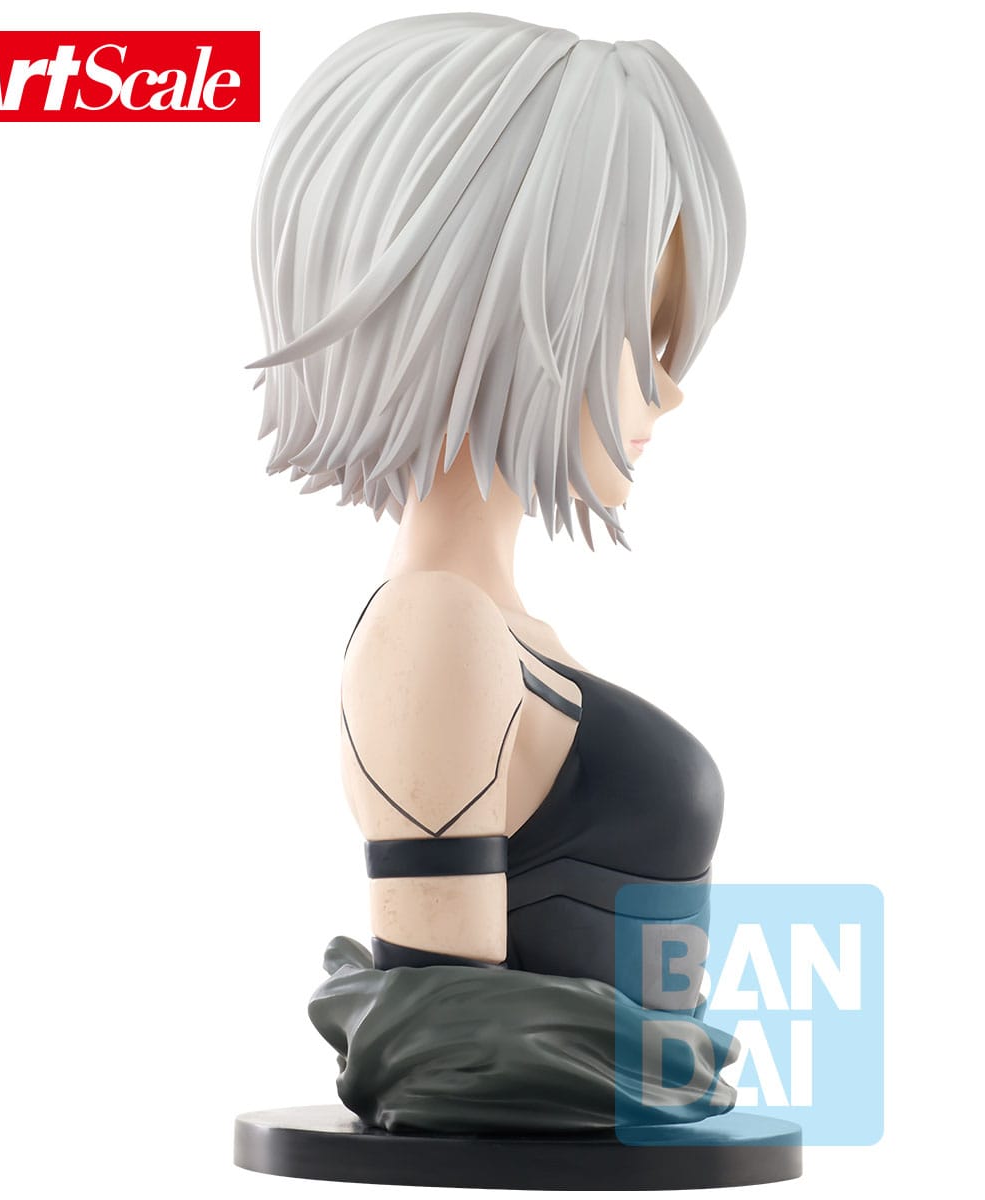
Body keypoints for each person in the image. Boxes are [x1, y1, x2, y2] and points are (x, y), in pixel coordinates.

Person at [246, 11, 746, 1133]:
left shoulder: (504, 629)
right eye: (636, 332)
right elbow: (446, 1052)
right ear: (490, 306)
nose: (669, 390)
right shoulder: (437, 630)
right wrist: (672, 1065)